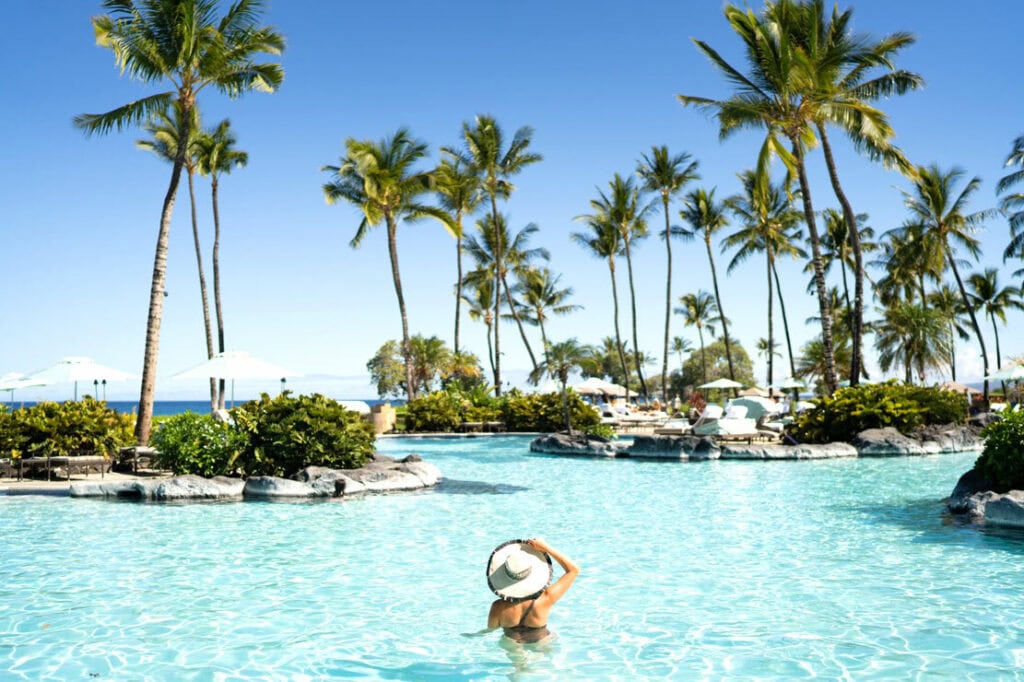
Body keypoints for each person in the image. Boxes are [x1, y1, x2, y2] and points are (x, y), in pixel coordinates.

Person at [484, 538, 579, 644]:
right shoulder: (546, 598)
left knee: (515, 653)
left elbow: (490, 630)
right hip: (541, 641)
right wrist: (546, 548)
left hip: (512, 644)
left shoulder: (497, 608)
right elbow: (573, 570)